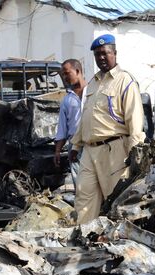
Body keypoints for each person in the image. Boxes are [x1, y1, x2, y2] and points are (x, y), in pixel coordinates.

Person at [70, 34, 145, 224]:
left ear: (115, 53)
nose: (101, 58)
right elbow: (86, 118)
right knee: (83, 198)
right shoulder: (93, 83)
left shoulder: (124, 80)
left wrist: (136, 152)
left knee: (117, 201)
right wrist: (75, 146)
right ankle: (82, 241)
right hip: (89, 151)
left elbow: (134, 118)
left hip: (115, 150)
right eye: (97, 55)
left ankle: (122, 244)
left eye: (105, 53)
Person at [54, 59, 87, 190]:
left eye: (67, 73)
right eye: (63, 75)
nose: (65, 78)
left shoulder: (93, 92)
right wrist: (57, 151)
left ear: (78, 71)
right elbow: (62, 128)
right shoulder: (66, 100)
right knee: (79, 185)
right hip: (75, 147)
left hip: (94, 143)